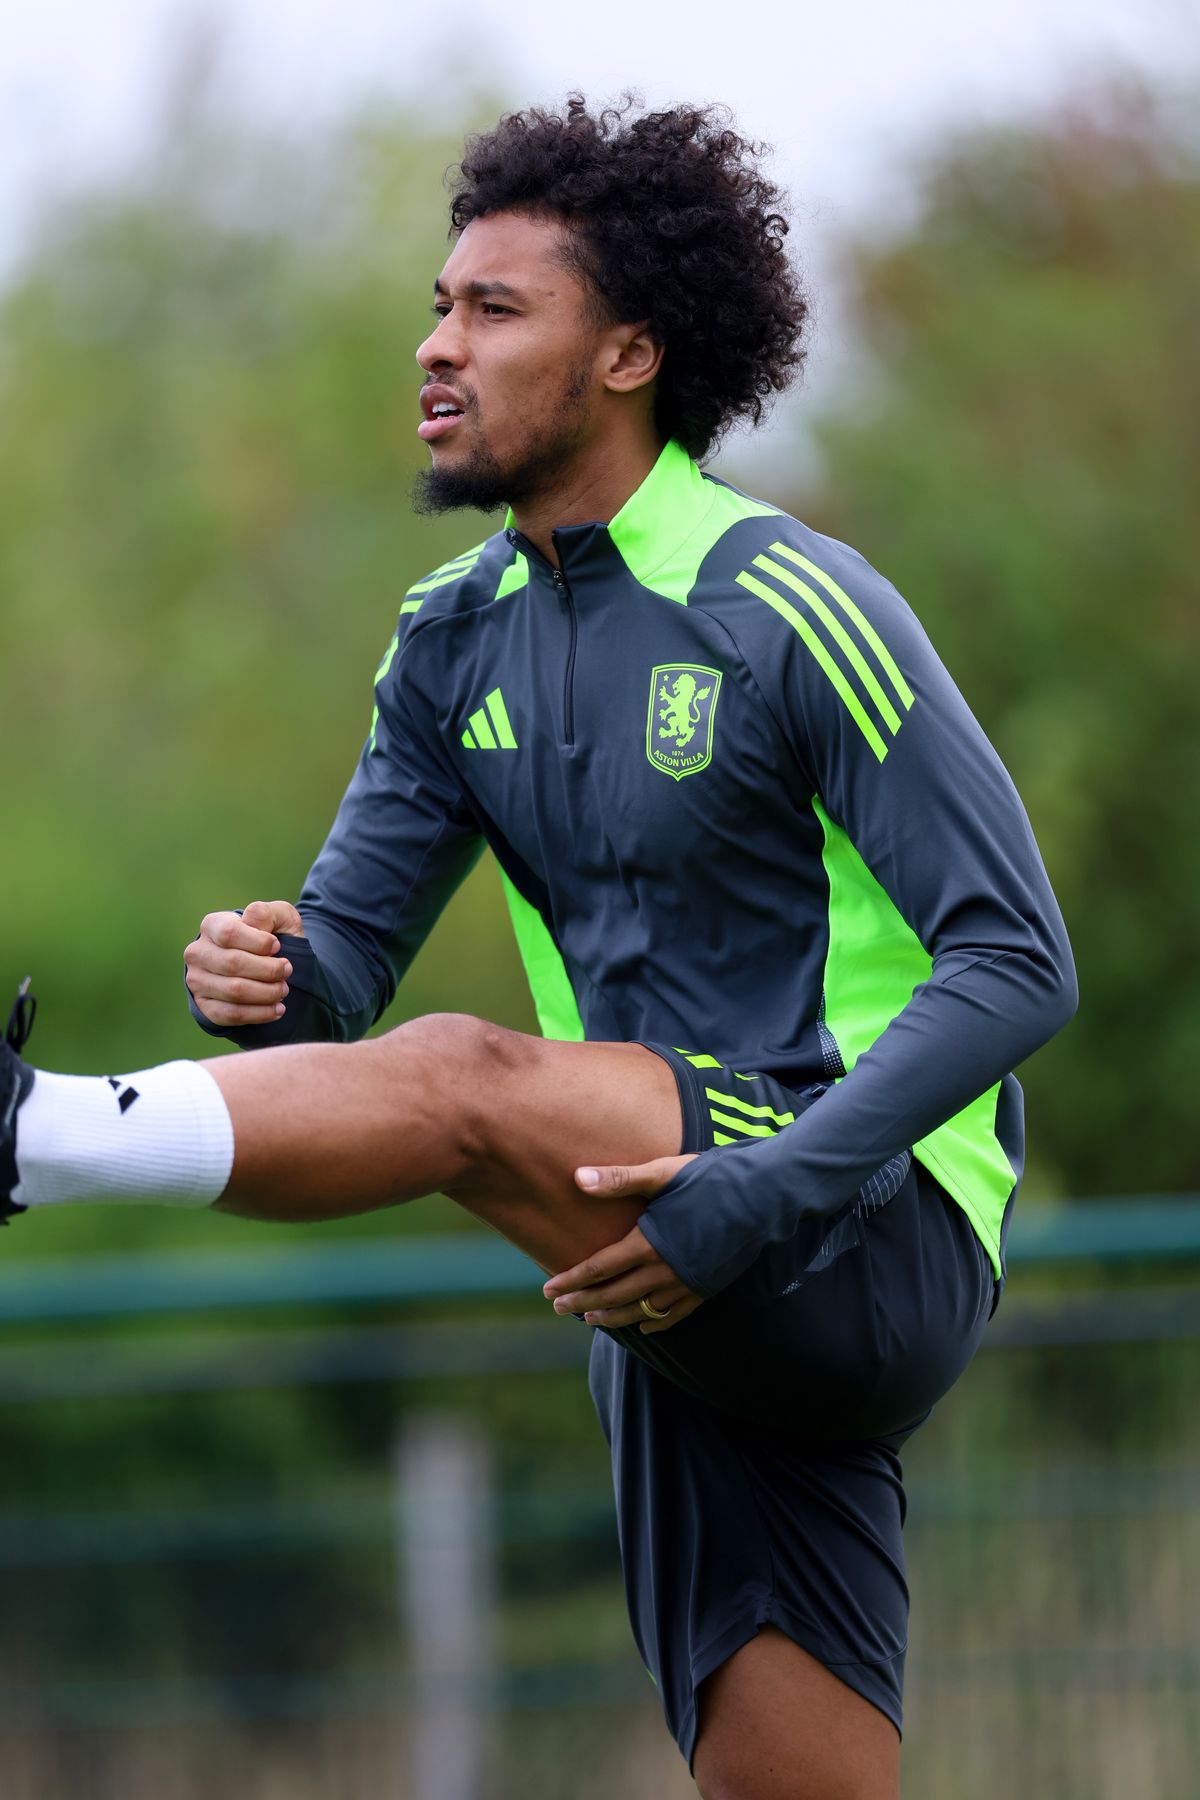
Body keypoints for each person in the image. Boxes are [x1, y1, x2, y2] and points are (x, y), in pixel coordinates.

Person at [0, 97, 1076, 1800]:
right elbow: (345, 969)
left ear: (632, 350)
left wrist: (778, 1185)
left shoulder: (791, 603)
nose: (436, 346)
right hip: (654, 1261)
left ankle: (25, 1135)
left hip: (861, 1214)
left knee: (455, 1076)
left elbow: (1021, 963)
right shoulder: (448, 643)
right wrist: (269, 975)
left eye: (494, 311)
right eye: (437, 306)